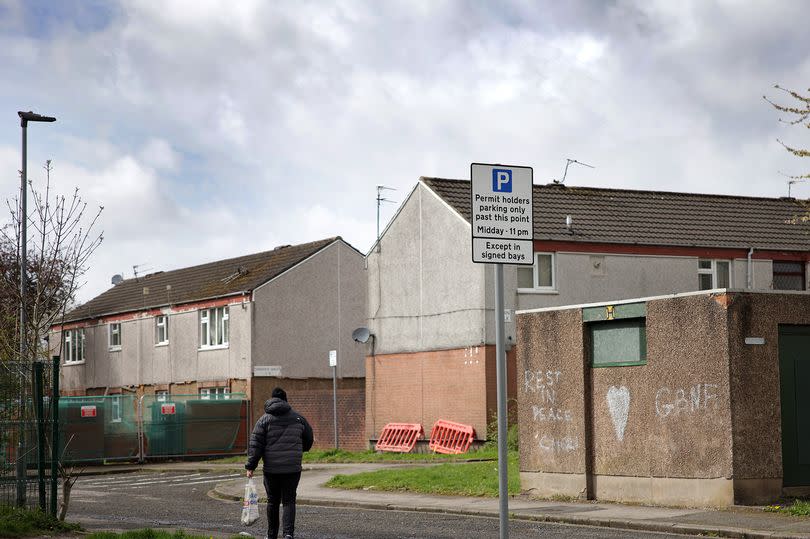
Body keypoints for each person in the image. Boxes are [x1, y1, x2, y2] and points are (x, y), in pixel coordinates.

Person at [246, 387, 314, 539]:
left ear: (272, 399)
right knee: (289, 501)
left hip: (271, 469)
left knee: (273, 501)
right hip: (292, 468)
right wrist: (298, 450)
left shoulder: (264, 420)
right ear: (285, 400)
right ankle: (288, 534)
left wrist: (251, 466)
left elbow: (255, 444)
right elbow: (309, 439)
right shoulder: (298, 418)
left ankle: (271, 535)